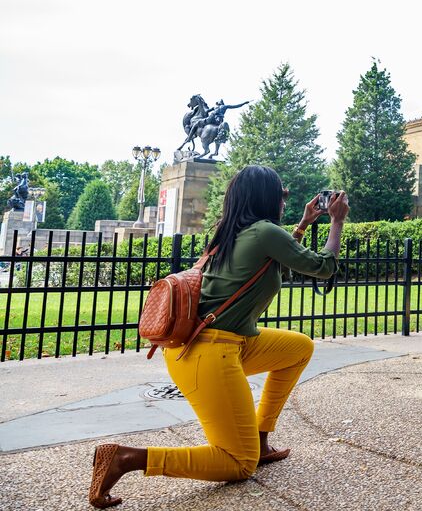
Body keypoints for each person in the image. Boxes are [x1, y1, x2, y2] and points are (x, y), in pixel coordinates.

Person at [88, 165, 349, 508]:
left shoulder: (233, 232)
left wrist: (302, 225)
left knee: (298, 347)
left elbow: (278, 263)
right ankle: (127, 458)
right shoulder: (264, 232)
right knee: (237, 463)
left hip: (218, 343)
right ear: (266, 198)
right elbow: (324, 266)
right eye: (281, 194)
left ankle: (259, 437)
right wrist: (337, 221)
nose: (284, 199)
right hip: (209, 353)